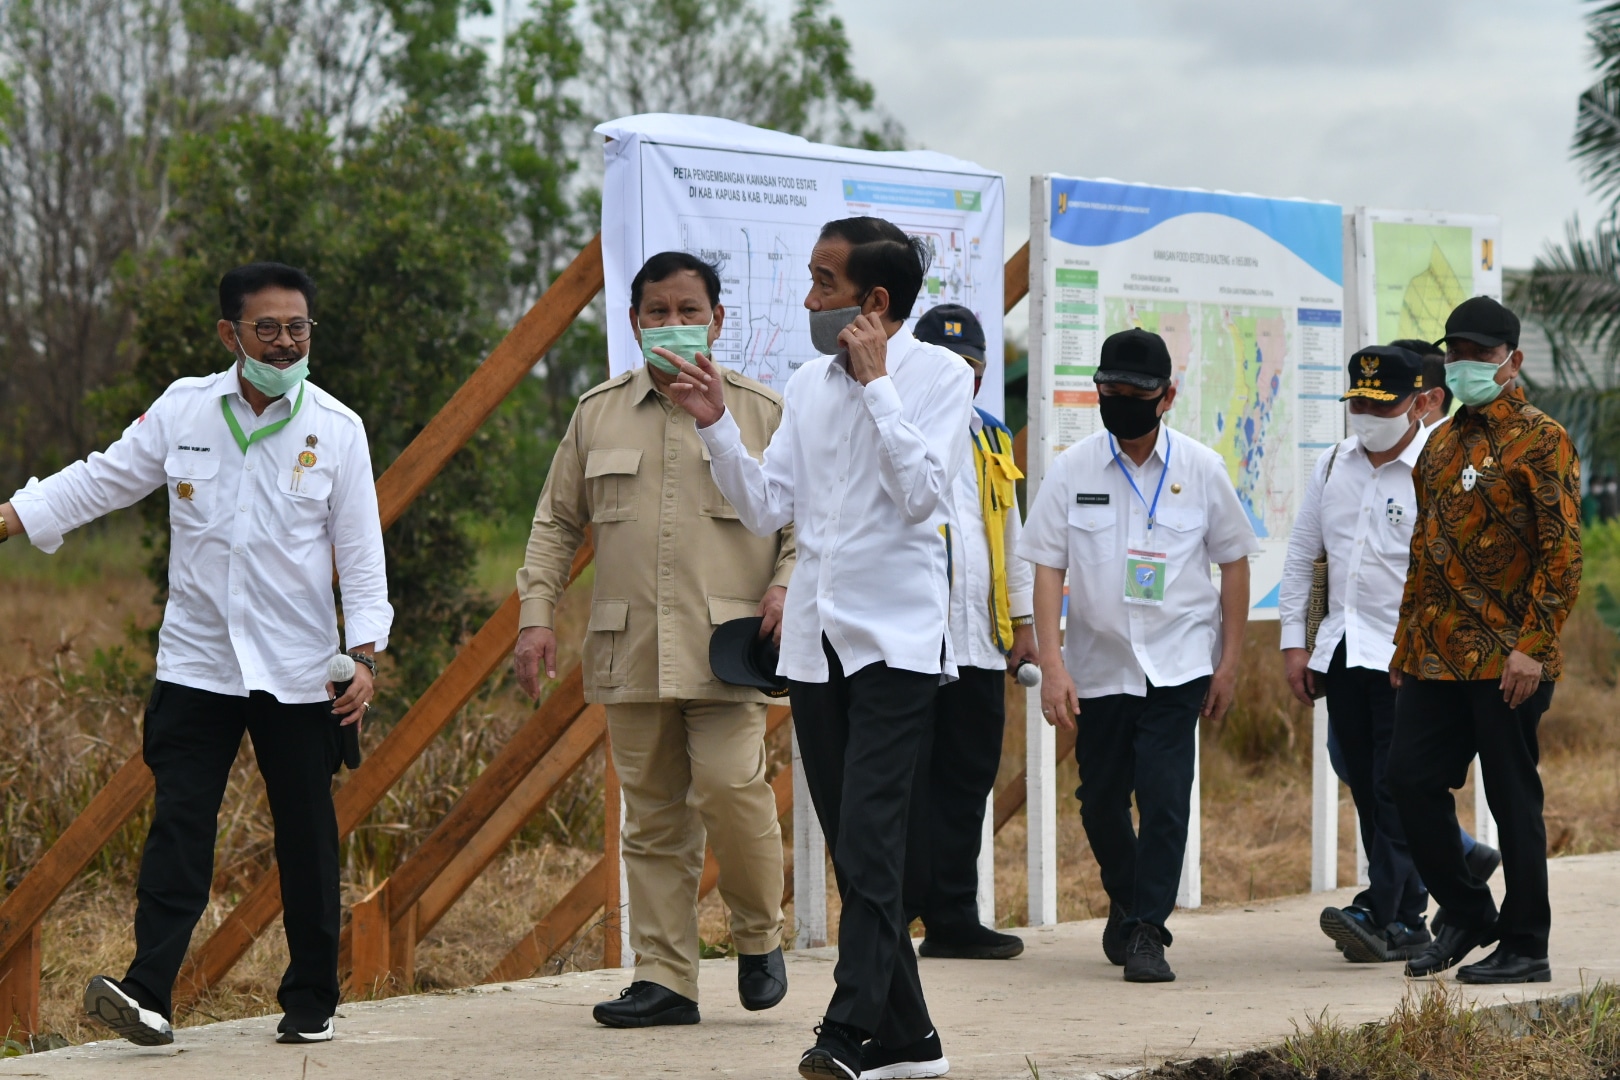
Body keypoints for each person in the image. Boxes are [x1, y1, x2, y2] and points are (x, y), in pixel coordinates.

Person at [0, 263, 392, 1045]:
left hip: (298, 671)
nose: (285, 344)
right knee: (180, 827)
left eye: (298, 329)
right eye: (268, 329)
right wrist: (11, 517)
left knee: (307, 836)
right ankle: (148, 993)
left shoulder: (337, 429)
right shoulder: (185, 410)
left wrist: (367, 656)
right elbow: (102, 480)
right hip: (197, 666)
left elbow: (362, 551)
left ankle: (311, 998)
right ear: (230, 335)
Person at [666, 217, 972, 1080]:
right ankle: (911, 1041)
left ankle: (845, 1032)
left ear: (875, 302)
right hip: (815, 643)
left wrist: (879, 386)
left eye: (823, 283)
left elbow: (923, 498)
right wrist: (718, 427)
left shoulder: (941, 375)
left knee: (872, 839)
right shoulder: (805, 383)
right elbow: (769, 509)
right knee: (851, 845)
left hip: (897, 643)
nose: (808, 299)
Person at [512, 251, 795, 1028]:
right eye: (657, 312)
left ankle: (758, 935)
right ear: (634, 322)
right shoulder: (596, 412)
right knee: (654, 818)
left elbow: (811, 522)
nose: (673, 324)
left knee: (733, 790)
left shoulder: (764, 412)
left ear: (718, 320)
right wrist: (536, 615)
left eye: (688, 309)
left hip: (728, 647)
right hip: (627, 646)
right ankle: (666, 979)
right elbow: (555, 523)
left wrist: (787, 584)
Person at [1019, 328, 1258, 984]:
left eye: (1133, 393)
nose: (1118, 401)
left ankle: (1149, 929)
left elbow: (1234, 566)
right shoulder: (1072, 470)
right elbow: (1046, 568)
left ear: (1167, 396)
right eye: (1108, 390)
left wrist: (1229, 663)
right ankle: (1127, 897)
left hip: (1178, 664)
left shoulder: (1202, 470)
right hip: (1099, 667)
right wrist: (1054, 664)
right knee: (1099, 800)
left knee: (1163, 794)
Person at [1389, 296, 1583, 984]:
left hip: (1511, 660)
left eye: (1480, 353)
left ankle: (1527, 943)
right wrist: (1403, 650)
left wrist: (1533, 645)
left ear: (1513, 361)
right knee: (1405, 780)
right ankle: (1470, 912)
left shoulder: (1543, 438)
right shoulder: (1437, 442)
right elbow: (1424, 551)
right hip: (1436, 655)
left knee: (1510, 799)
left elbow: (1562, 553)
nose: (1466, 363)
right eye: (1457, 352)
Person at [1280, 345, 1450, 963]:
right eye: (1359, 402)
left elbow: (1445, 571)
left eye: (1384, 404)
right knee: (1364, 784)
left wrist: (1426, 650)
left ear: (1421, 402)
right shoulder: (1332, 464)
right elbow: (1302, 558)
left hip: (1410, 659)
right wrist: (1296, 646)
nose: (1368, 414)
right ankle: (1407, 921)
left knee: (1393, 785)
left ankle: (1378, 909)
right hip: (1344, 650)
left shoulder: (1435, 465)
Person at [909, 303, 1036, 962]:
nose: (961, 376)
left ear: (983, 378)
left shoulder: (991, 436)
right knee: (906, 781)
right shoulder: (893, 426)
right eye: (947, 364)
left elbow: (1008, 535)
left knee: (967, 778)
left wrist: (1022, 622)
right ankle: (896, 914)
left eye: (971, 367)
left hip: (980, 643)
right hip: (908, 642)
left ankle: (953, 917)